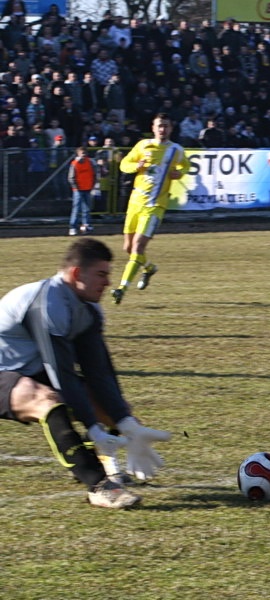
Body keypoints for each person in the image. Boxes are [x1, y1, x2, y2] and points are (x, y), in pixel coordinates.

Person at [0, 238, 172, 508]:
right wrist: (93, 428)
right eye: (101, 274)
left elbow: (99, 373)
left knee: (104, 403)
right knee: (45, 400)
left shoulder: (89, 308)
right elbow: (61, 374)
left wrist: (126, 423)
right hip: (7, 371)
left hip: (31, 368)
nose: (107, 283)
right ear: (77, 274)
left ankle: (106, 461)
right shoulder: (47, 304)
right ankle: (99, 486)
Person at [111, 113, 190, 304]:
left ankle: (122, 288)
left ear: (171, 129)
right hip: (135, 202)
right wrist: (135, 166)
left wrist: (178, 173)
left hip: (155, 206)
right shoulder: (143, 145)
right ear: (153, 128)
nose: (163, 129)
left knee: (138, 246)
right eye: (160, 126)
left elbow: (186, 167)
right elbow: (124, 164)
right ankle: (149, 268)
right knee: (128, 248)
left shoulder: (176, 150)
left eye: (166, 126)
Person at [67, 146, 98, 236]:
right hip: (78, 190)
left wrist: (92, 185)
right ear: (78, 154)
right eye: (82, 153)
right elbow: (71, 177)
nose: (83, 155)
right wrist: (76, 187)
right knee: (76, 209)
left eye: (85, 153)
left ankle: (87, 225)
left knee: (87, 209)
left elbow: (94, 174)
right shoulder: (75, 163)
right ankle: (73, 227)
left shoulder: (90, 162)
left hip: (88, 188)